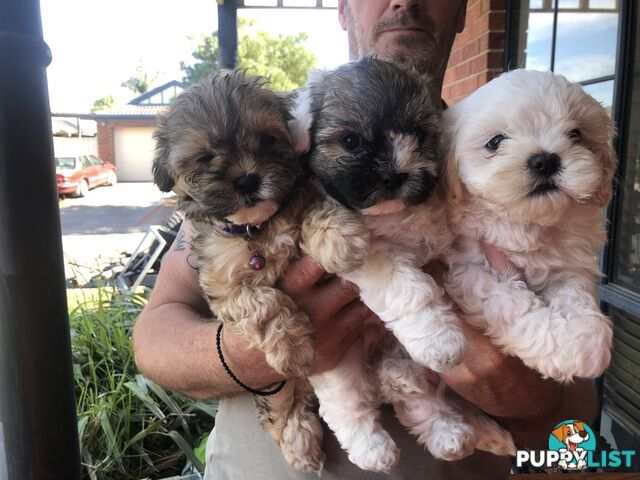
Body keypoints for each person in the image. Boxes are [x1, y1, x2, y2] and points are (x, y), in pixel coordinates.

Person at [132, 1, 598, 478]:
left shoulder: (497, 150)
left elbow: (578, 437)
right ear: (342, 7)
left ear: (462, 11)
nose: (403, 0)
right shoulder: (262, 141)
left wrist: (534, 406)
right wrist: (247, 354)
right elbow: (154, 335)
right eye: (351, 142)